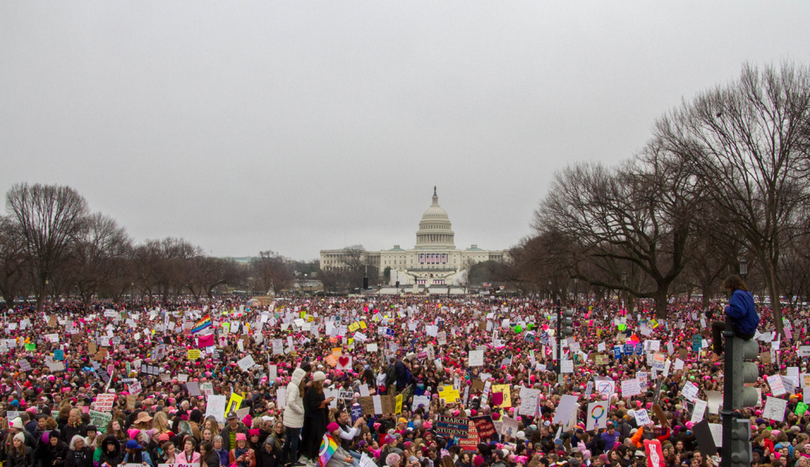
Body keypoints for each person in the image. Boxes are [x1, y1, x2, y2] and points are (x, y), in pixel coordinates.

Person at [711, 275, 760, 356]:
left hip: (743, 330)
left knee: (715, 325)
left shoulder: (737, 294)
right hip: (751, 331)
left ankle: (717, 352)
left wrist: (727, 309)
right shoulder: (748, 294)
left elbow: (740, 311)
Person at [302, 371, 333, 466]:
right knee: (312, 437)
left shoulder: (320, 390)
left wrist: (326, 402)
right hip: (313, 418)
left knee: (319, 437)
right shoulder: (311, 391)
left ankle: (316, 454)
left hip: (320, 417)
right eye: (321, 381)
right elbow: (312, 405)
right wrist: (324, 402)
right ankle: (310, 456)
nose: (322, 382)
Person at [283, 363, 310, 467]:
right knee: (293, 440)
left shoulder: (291, 385)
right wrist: (300, 410)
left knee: (288, 440)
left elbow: (287, 400)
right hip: (294, 419)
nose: (304, 380)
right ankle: (294, 460)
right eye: (303, 378)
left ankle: (285, 459)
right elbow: (291, 402)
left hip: (290, 418)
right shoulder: (295, 388)